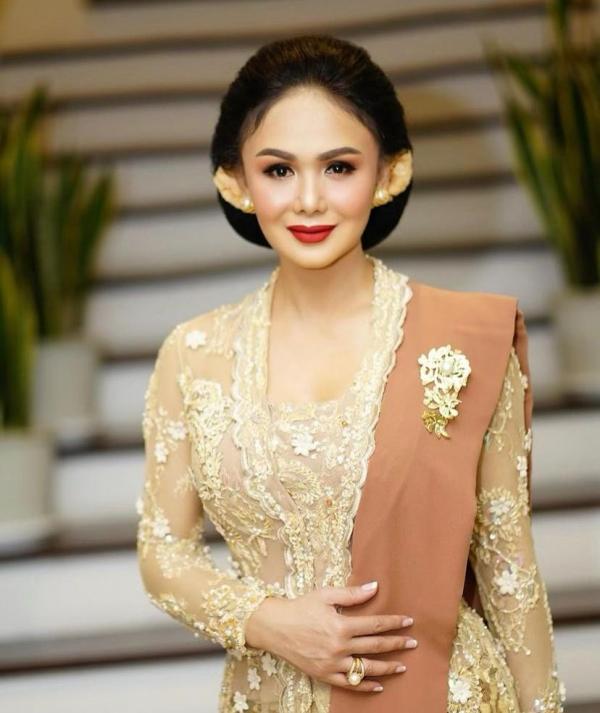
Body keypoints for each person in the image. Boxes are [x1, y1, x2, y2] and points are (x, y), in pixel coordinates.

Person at [135, 34, 566, 713]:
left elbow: (509, 570)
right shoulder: (193, 355)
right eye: (279, 170)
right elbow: (164, 552)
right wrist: (271, 621)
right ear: (236, 181)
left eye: (339, 167)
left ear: (390, 173)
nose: (309, 200)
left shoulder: (463, 342)